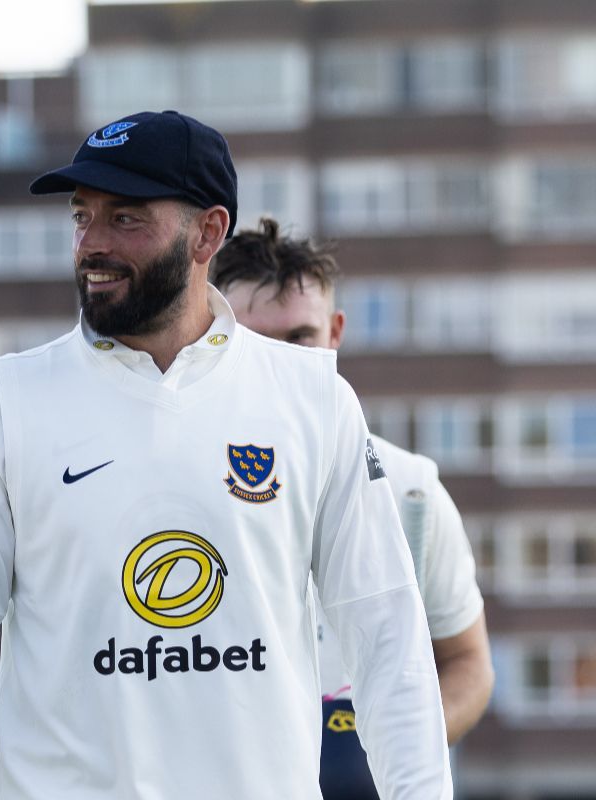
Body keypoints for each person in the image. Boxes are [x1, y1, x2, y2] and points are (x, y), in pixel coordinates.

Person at [0, 110, 452, 798]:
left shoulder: (314, 400)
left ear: (207, 233)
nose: (90, 244)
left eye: (125, 219)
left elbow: (389, 646)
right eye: (81, 217)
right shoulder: (2, 404)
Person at [212, 220, 493, 799]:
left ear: (335, 333)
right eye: (256, 342)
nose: (281, 365)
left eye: (299, 339)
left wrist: (389, 749)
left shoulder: (408, 489)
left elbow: (468, 662)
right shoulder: (169, 488)